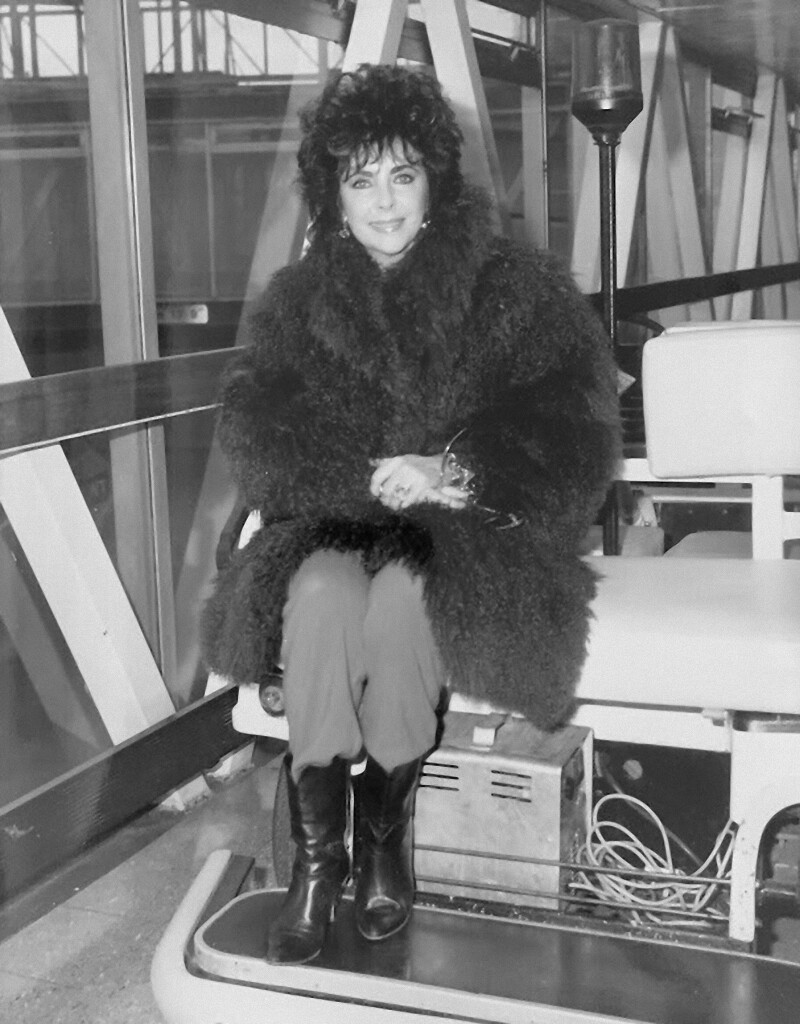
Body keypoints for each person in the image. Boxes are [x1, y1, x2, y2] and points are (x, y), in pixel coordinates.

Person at [202, 63, 621, 966]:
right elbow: (257, 425)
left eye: (402, 175)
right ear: (335, 195)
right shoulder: (300, 301)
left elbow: (576, 430)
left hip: (466, 530)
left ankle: (385, 836)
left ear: (434, 180)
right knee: (319, 593)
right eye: (361, 181)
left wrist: (455, 471)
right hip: (336, 519)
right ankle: (321, 859)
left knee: (402, 601)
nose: (384, 202)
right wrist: (357, 478)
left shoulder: (514, 290)